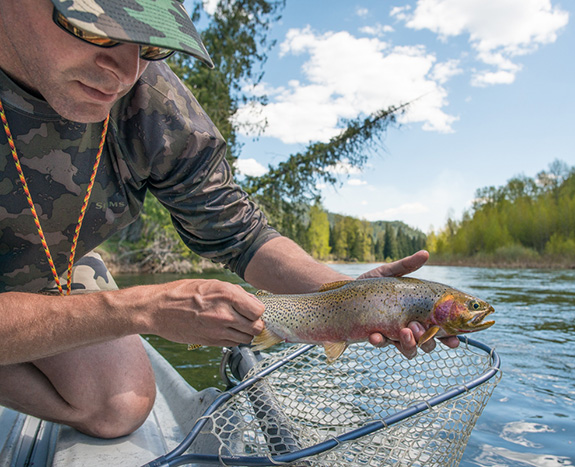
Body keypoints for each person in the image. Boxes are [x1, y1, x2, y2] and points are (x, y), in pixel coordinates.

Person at [0, 0, 458, 439]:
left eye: (152, 43)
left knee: (120, 403)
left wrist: (352, 297)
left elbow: (243, 233)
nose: (125, 70)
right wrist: (144, 309)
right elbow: (145, 309)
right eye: (95, 27)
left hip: (50, 266)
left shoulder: (150, 98)